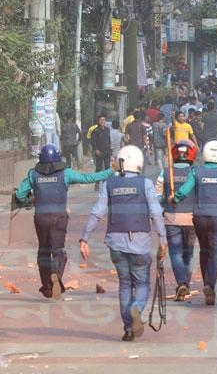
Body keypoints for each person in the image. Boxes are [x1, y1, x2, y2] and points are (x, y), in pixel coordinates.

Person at [79, 145, 166, 341]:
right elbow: (156, 213)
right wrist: (163, 239)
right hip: (140, 243)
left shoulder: (108, 183)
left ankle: (128, 328)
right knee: (142, 282)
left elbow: (97, 212)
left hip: (115, 243)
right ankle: (136, 308)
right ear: (139, 163)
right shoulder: (146, 184)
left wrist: (84, 238)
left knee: (125, 284)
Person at [14, 144, 113, 300]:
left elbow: (19, 195)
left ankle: (47, 287)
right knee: (58, 251)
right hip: (59, 218)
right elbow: (88, 178)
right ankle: (56, 273)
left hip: (41, 218)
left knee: (43, 251)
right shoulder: (66, 173)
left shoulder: (33, 174)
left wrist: (30, 200)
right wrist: (111, 171)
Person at [170, 140, 217, 306]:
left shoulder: (196, 171)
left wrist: (174, 198)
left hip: (200, 218)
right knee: (215, 252)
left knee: (204, 250)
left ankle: (207, 282)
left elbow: (184, 191)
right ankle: (209, 285)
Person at [156, 140, 198, 301]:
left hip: (171, 219)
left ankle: (181, 283)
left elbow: (157, 197)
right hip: (192, 220)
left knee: (176, 253)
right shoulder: (196, 172)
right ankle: (186, 284)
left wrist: (164, 202)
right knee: (189, 254)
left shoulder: (165, 173)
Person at [91, 115, 112, 188]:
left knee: (107, 168)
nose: (102, 121)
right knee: (98, 168)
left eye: (103, 120)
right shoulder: (95, 131)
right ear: (98, 121)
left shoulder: (107, 129)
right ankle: (97, 183)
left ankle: (107, 183)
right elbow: (93, 142)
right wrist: (96, 149)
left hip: (107, 151)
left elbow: (109, 140)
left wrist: (110, 149)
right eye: (101, 120)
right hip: (99, 152)